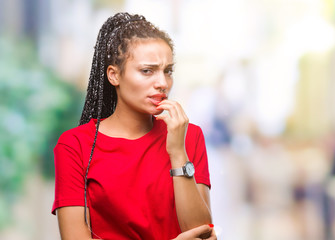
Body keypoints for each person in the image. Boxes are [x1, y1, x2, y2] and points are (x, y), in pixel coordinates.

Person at [51, 12, 216, 240]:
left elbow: (203, 233)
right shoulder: (75, 145)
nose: (162, 83)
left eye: (167, 71)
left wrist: (178, 153)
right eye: (147, 71)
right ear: (114, 75)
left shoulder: (188, 136)